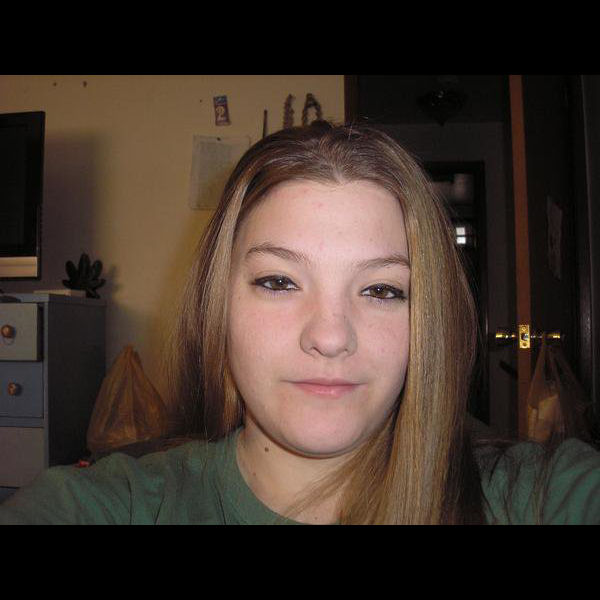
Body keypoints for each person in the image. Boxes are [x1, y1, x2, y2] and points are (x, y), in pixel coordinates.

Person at [1, 121, 599, 525]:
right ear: (218, 305)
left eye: (382, 289)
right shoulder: (113, 505)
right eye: (279, 282)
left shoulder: (537, 495)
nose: (331, 336)